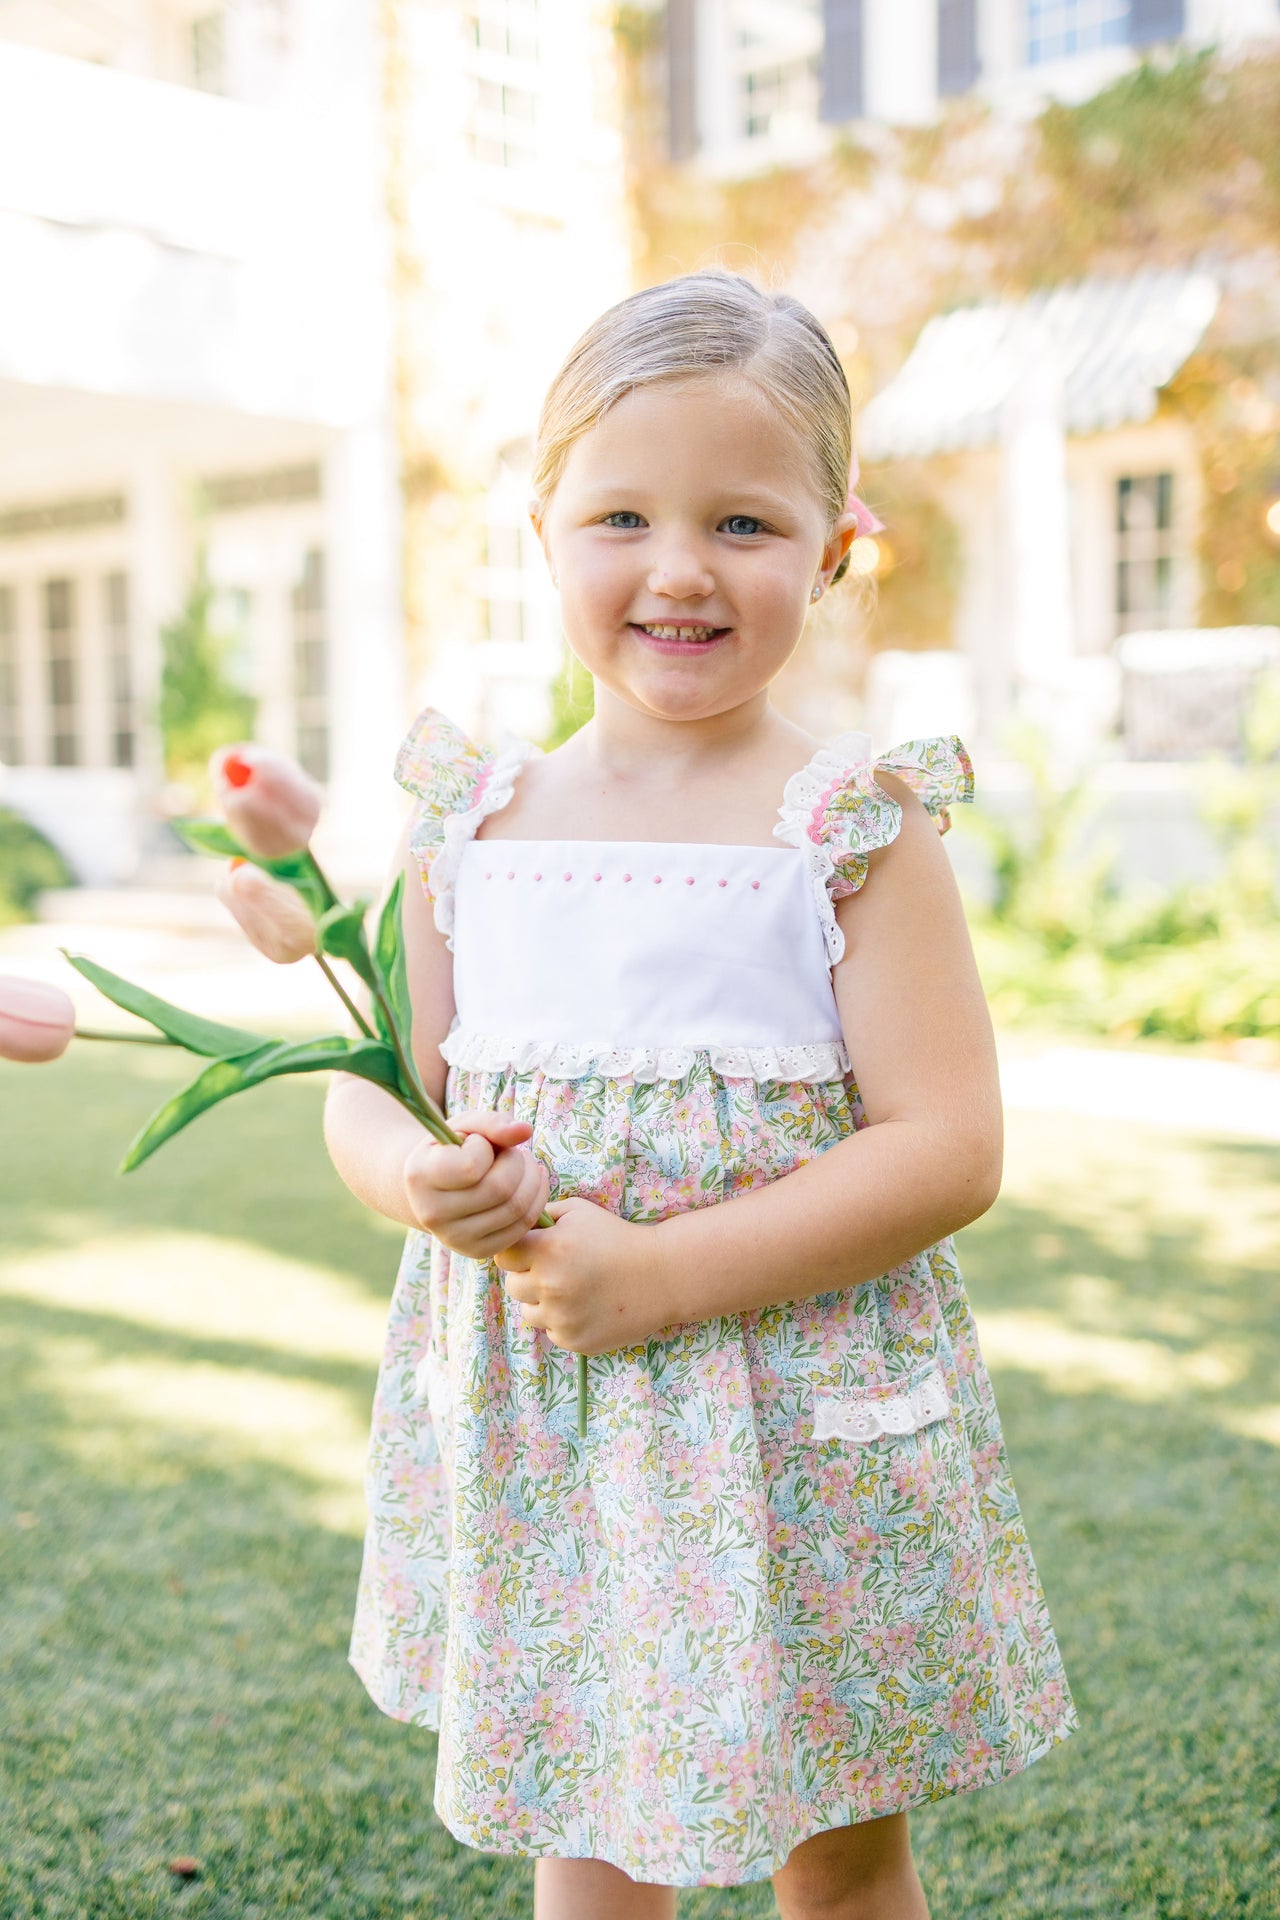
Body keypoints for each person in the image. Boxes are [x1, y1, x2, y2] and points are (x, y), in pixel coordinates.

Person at [323, 267, 1076, 1918]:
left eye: (743, 523)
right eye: (620, 519)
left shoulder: (853, 826)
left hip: (799, 1414)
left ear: (835, 543)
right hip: (558, 1429)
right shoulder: (471, 820)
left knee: (845, 1837)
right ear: (541, 530)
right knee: (584, 1815)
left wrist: (660, 1274)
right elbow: (378, 1089)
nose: (678, 571)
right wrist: (417, 1178)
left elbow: (949, 1147)